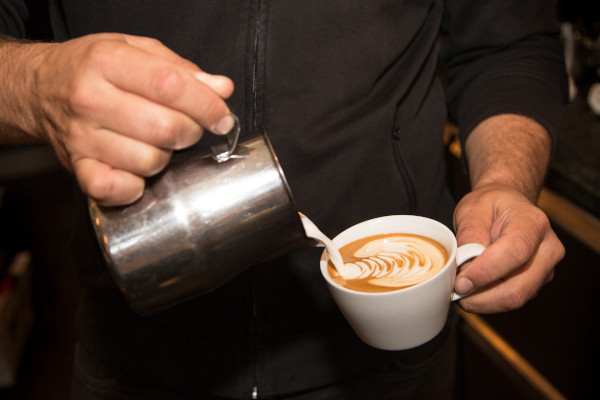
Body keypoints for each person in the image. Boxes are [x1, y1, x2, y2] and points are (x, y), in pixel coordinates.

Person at [1, 0, 566, 398]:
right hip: (135, 353)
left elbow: (509, 44)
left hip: (390, 360)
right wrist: (34, 85)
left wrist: (504, 183)